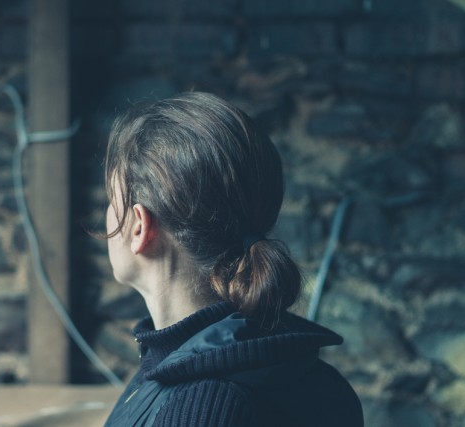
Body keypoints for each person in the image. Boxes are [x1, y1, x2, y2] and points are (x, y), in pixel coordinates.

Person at [99, 92, 363, 427]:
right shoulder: (271, 362)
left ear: (139, 226)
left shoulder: (202, 407)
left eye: (111, 200)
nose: (108, 215)